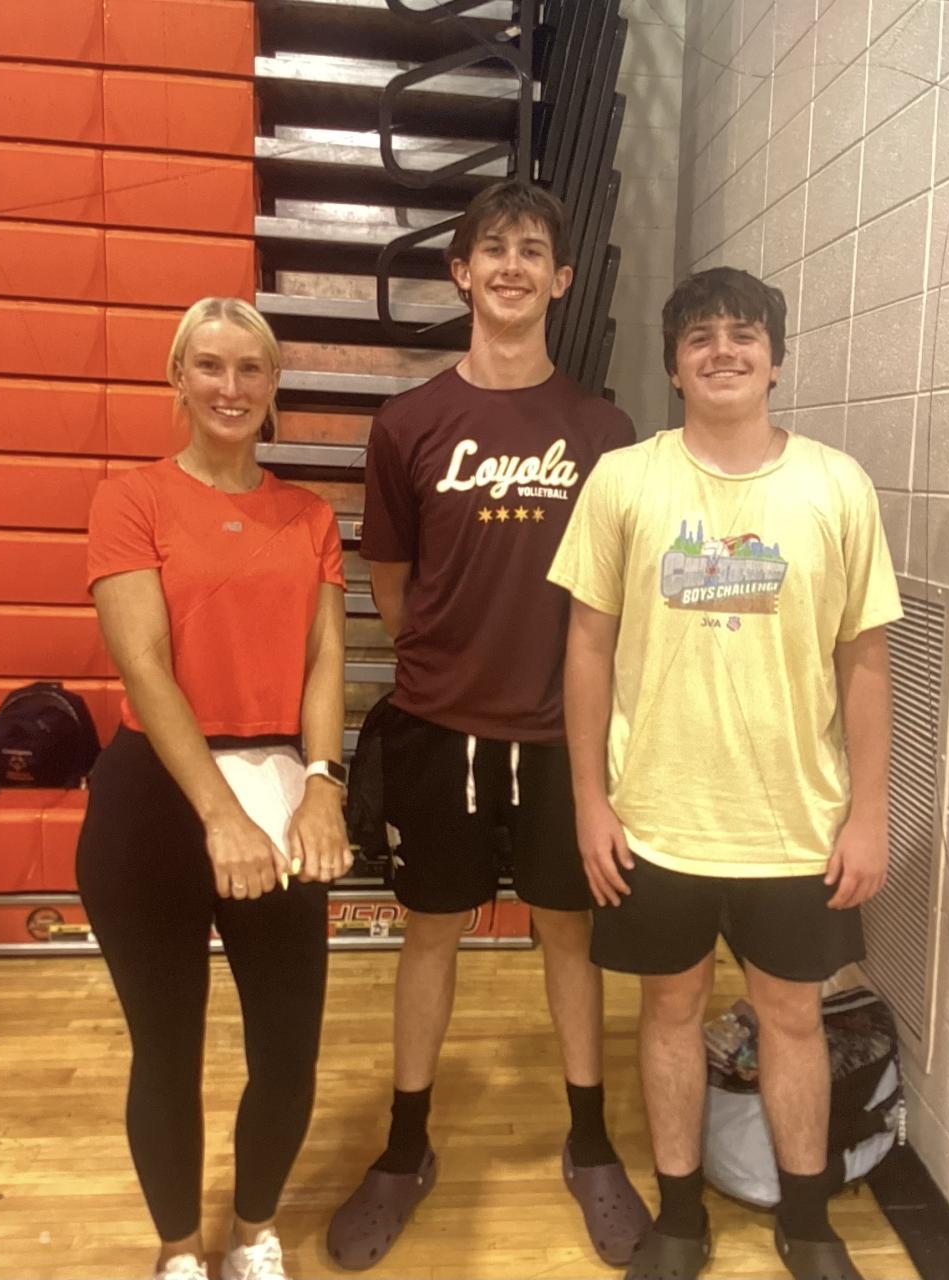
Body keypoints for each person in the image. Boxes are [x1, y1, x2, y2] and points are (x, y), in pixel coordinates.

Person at [549, 266, 902, 1280]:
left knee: (791, 1016)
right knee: (671, 1010)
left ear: (776, 359)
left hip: (796, 823)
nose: (722, 351)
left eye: (744, 334)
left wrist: (869, 813)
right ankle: (678, 1215)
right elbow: (586, 648)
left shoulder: (837, 484)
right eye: (699, 336)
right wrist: (590, 802)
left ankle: (808, 1220)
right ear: (674, 364)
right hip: (656, 818)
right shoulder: (625, 479)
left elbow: (865, 660)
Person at [326, 180, 650, 1271]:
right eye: (493, 249)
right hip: (439, 727)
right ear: (461, 273)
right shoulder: (407, 423)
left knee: (570, 934)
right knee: (430, 932)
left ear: (561, 279)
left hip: (563, 736)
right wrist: (454, 660)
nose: (513, 265)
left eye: (532, 250)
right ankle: (404, 1146)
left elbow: (615, 597)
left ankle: (589, 1142)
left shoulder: (605, 430)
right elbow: (390, 580)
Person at [76, 297, 353, 1280]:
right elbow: (144, 664)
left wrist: (322, 784)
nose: (230, 387)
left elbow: (326, 660)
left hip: (278, 783)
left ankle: (253, 1231)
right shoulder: (131, 499)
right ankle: (179, 1251)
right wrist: (220, 815)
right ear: (178, 378)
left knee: (288, 1050)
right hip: (156, 797)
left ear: (273, 387)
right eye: (210, 366)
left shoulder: (310, 516)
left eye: (250, 369)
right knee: (167, 1048)